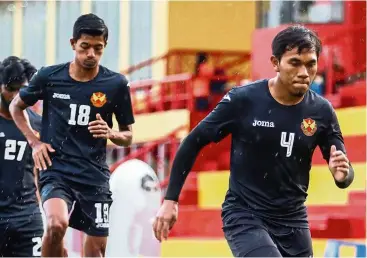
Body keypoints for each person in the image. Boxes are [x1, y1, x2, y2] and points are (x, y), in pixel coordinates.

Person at [152, 25, 354, 257]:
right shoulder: (244, 100)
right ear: (275, 63)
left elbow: (344, 174)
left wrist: (343, 174)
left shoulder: (322, 111)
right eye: (295, 63)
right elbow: (193, 142)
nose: (304, 72)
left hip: (293, 220)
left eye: (311, 64)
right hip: (246, 214)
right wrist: (171, 200)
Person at [10, 13, 135, 257]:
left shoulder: (116, 84)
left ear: (104, 46)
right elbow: (16, 106)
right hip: (57, 169)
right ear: (72, 44)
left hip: (94, 175)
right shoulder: (49, 77)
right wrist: (34, 143)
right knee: (56, 225)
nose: (91, 54)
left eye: (98, 49)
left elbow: (128, 135)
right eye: (85, 47)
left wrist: (111, 133)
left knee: (96, 250)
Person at [0, 56, 44, 257]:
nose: (18, 95)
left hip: (27, 218)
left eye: (23, 89)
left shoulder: (38, 125)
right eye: (12, 88)